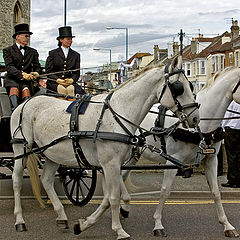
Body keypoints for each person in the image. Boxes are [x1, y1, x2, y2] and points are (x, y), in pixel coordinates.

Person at [3, 23, 41, 110]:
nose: (28, 38)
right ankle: (14, 112)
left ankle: (25, 113)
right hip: (12, 79)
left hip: (26, 82)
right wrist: (22, 74)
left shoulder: (33, 52)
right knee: (14, 90)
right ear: (18, 36)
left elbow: (37, 66)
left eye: (29, 36)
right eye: (26, 36)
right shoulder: (8, 50)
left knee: (26, 92)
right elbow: (9, 67)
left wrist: (36, 73)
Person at [45, 26, 85, 97]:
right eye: (68, 39)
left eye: (71, 39)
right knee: (61, 89)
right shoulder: (53, 53)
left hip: (70, 83)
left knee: (71, 89)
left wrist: (72, 80)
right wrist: (57, 80)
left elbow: (76, 72)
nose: (70, 41)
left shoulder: (76, 55)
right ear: (61, 40)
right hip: (55, 82)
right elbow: (49, 71)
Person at [221, 100, 240, 188]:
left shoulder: (234, 102)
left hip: (232, 130)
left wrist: (223, 128)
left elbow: (227, 116)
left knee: (231, 156)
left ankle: (232, 180)